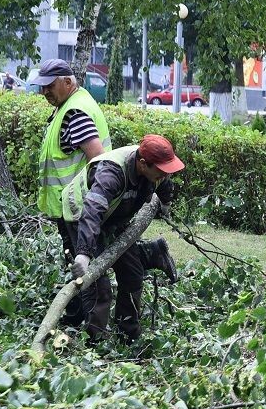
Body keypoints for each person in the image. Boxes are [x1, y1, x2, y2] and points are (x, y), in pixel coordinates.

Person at [61, 135, 182, 343]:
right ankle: (94, 343)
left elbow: (164, 182)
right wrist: (83, 253)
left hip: (115, 216)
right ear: (143, 164)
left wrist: (165, 203)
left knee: (133, 273)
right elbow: (92, 212)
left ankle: (127, 334)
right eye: (161, 171)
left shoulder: (155, 165)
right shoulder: (111, 173)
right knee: (99, 285)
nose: (164, 174)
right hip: (81, 217)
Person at [35, 58, 113, 326]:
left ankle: (94, 335)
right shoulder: (69, 104)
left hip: (80, 210)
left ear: (67, 82)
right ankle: (75, 318)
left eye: (49, 86)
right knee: (79, 264)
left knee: (88, 272)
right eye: (42, 86)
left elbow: (99, 161)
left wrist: (93, 205)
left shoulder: (74, 112)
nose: (44, 92)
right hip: (71, 208)